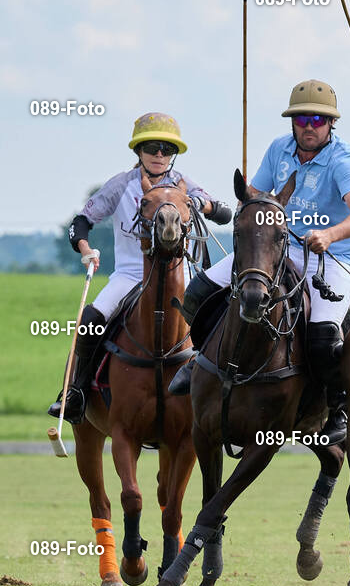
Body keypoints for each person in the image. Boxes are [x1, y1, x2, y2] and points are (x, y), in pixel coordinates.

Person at [169, 79, 350, 447]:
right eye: (301, 119)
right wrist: (245, 202)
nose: (308, 127)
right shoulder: (280, 149)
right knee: (198, 292)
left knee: (325, 336)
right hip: (277, 246)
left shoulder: (344, 160)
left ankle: (339, 407)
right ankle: (199, 359)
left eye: (317, 120)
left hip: (331, 256)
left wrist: (329, 235)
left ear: (331, 123)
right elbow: (257, 195)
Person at [47, 112, 232, 423]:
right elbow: (81, 222)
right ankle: (76, 391)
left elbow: (224, 214)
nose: (159, 155)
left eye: (166, 149)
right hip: (130, 276)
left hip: (180, 277)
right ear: (138, 151)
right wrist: (86, 250)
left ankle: (225, 391)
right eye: (151, 148)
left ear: (173, 155)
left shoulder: (183, 185)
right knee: (90, 321)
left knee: (222, 316)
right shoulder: (121, 185)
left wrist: (202, 204)